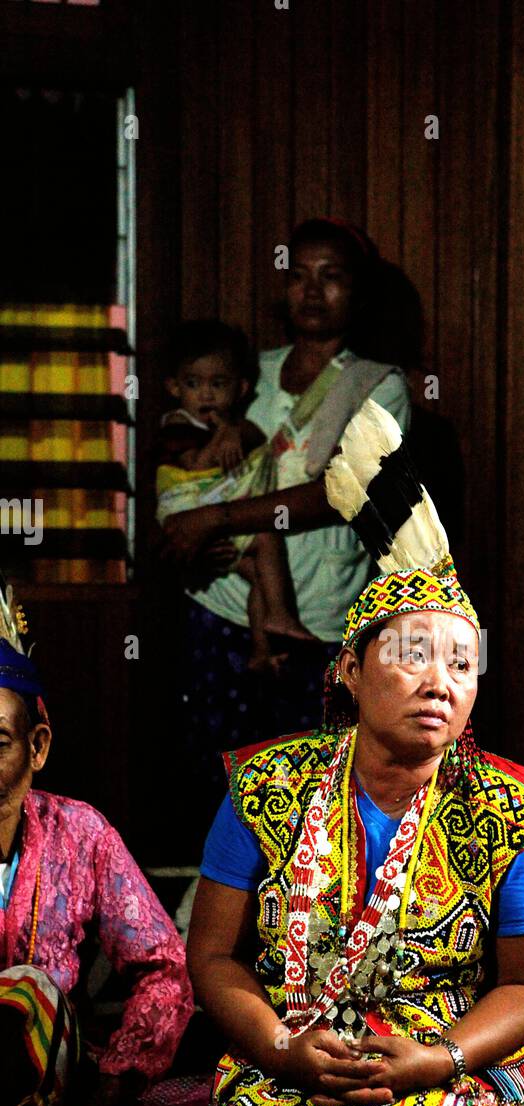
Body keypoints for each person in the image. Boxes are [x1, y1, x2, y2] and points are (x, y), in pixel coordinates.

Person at [187, 403, 524, 1106]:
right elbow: (209, 956)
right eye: (411, 655)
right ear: (351, 671)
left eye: (462, 663)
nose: (441, 681)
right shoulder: (265, 786)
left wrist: (437, 1058)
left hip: (448, 1057)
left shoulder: (506, 809)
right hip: (293, 1051)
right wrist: (280, 1049)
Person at [161, 220, 411, 822]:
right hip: (223, 601)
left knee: (308, 800)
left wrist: (212, 519)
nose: (312, 291)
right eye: (298, 276)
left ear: (357, 290)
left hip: (317, 619)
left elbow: (339, 491)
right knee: (216, 783)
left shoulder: (380, 384)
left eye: (331, 277)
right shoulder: (250, 371)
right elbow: (191, 453)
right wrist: (181, 525)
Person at [0, 581, 194, 1106]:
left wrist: (115, 1077)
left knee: (27, 992)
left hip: (38, 1088)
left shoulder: (79, 834)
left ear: (38, 746)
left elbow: (163, 968)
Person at [156, 319, 316, 673]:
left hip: (212, 517)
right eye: (193, 384)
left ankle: (262, 647)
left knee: (260, 572)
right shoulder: (177, 423)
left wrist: (233, 431)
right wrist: (223, 436)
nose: (206, 395)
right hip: (187, 507)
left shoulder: (230, 426)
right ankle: (279, 612)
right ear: (173, 386)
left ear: (241, 389)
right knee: (265, 535)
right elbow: (196, 465)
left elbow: (259, 438)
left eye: (218, 384)